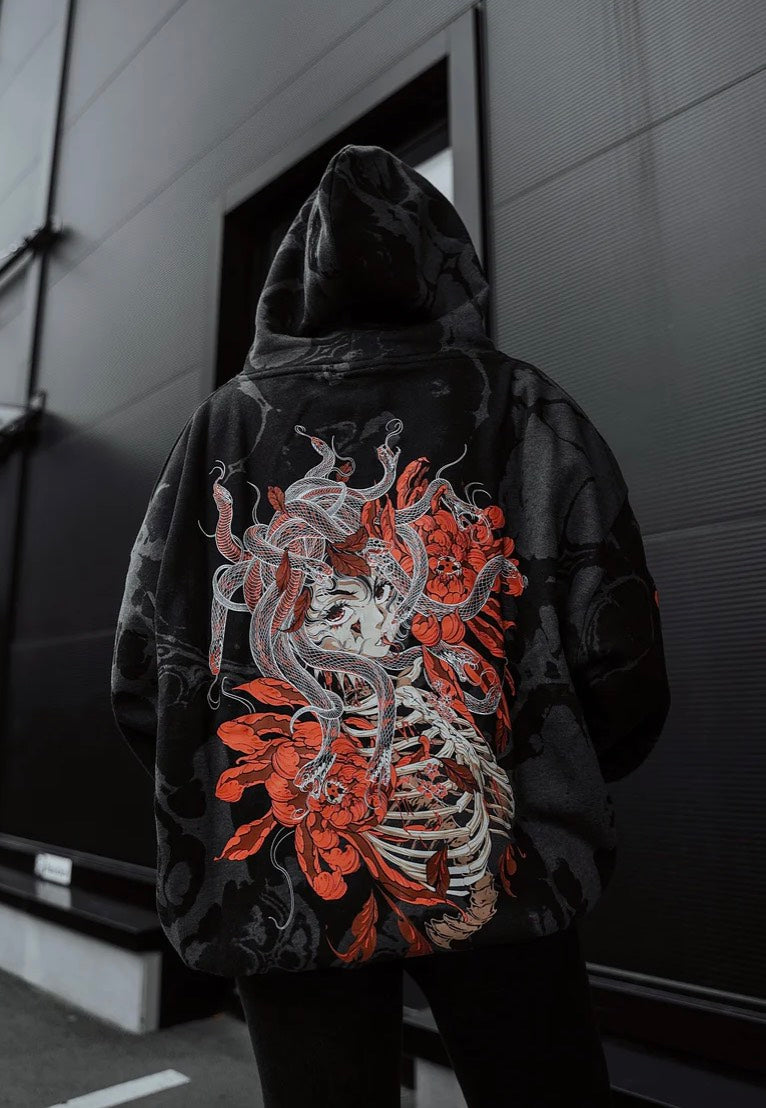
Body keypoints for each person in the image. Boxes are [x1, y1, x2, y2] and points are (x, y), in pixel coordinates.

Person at [111, 143, 671, 1106]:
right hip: (514, 872)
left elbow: (140, 671)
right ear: (442, 266)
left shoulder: (218, 431)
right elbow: (620, 653)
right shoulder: (527, 409)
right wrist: (555, 772)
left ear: (292, 284)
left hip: (288, 892)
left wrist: (210, 789)